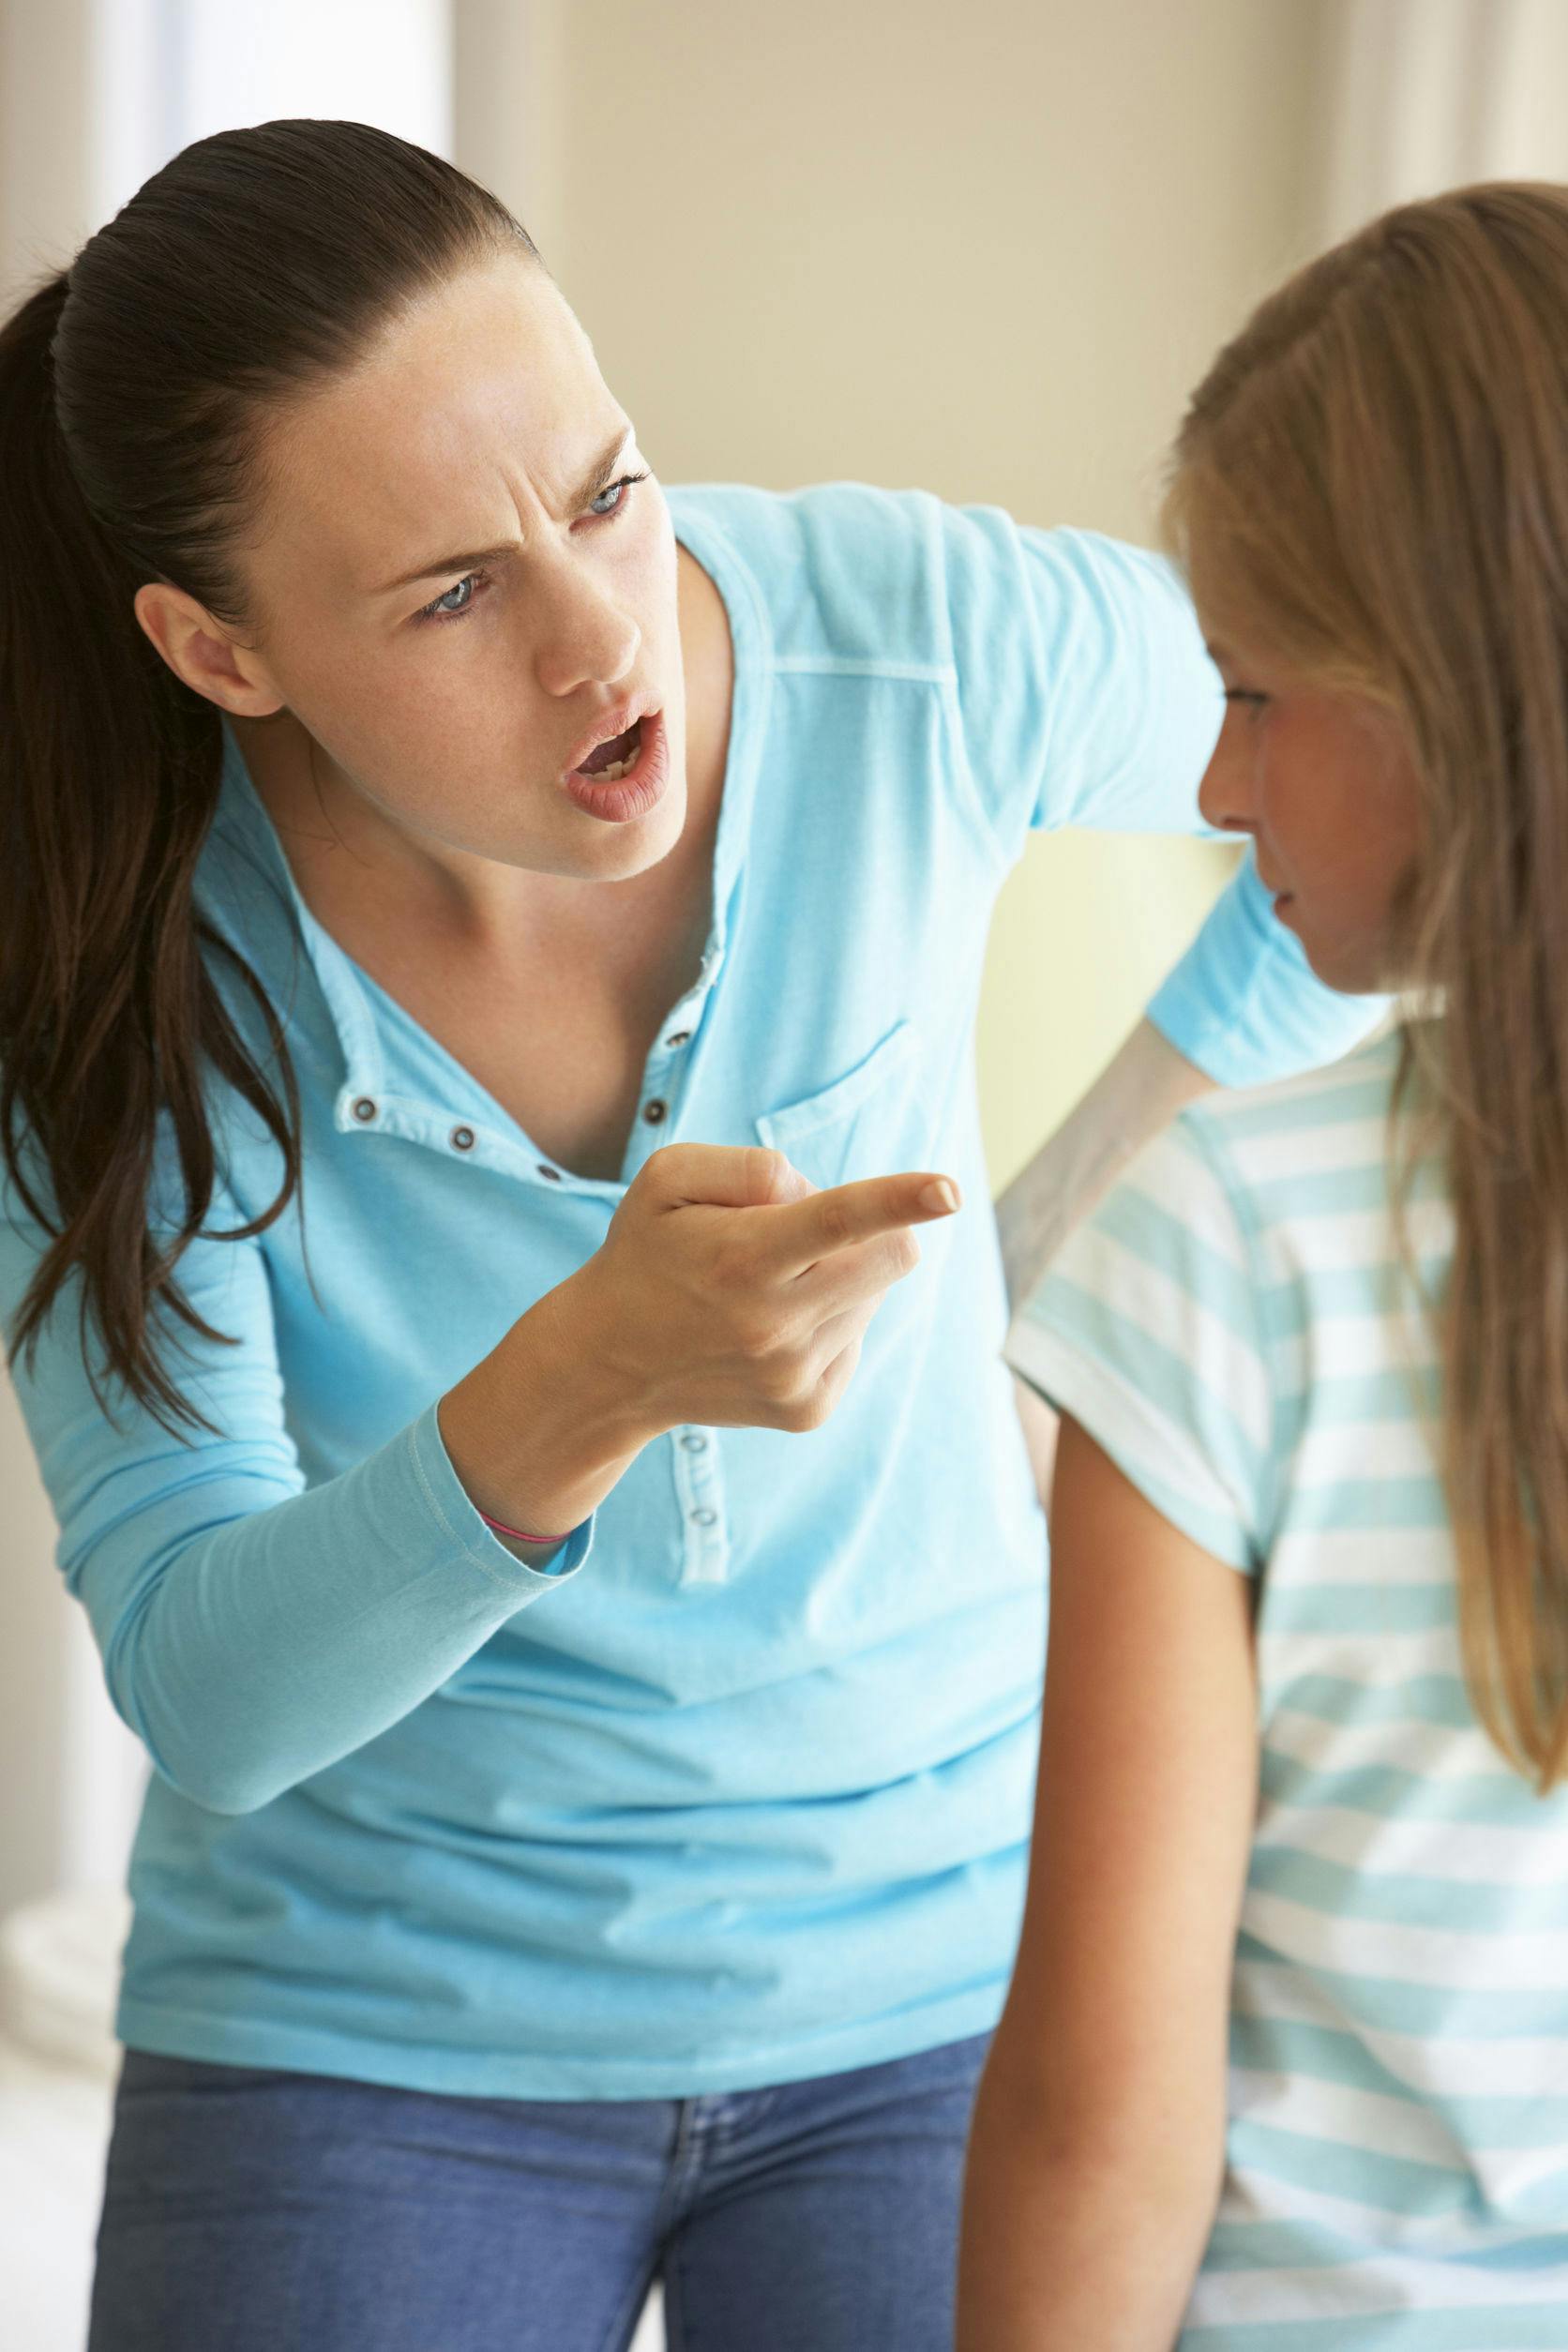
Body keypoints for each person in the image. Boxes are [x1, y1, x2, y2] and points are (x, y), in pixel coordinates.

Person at [0, 122, 1376, 2352]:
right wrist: (588, 1378)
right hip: (359, 2025)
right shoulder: (105, 945)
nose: (593, 635)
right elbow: (205, 1685)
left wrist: (1102, 1172)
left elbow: (1403, 772)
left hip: (938, 1969)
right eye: (450, 593)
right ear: (219, 650)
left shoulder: (912, 647)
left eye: (607, 490)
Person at [962, 180, 1568, 2351]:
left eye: (1247, 693)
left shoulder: (1221, 1248)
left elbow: (1097, 2117)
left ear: (1454, 697)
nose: (1215, 788)